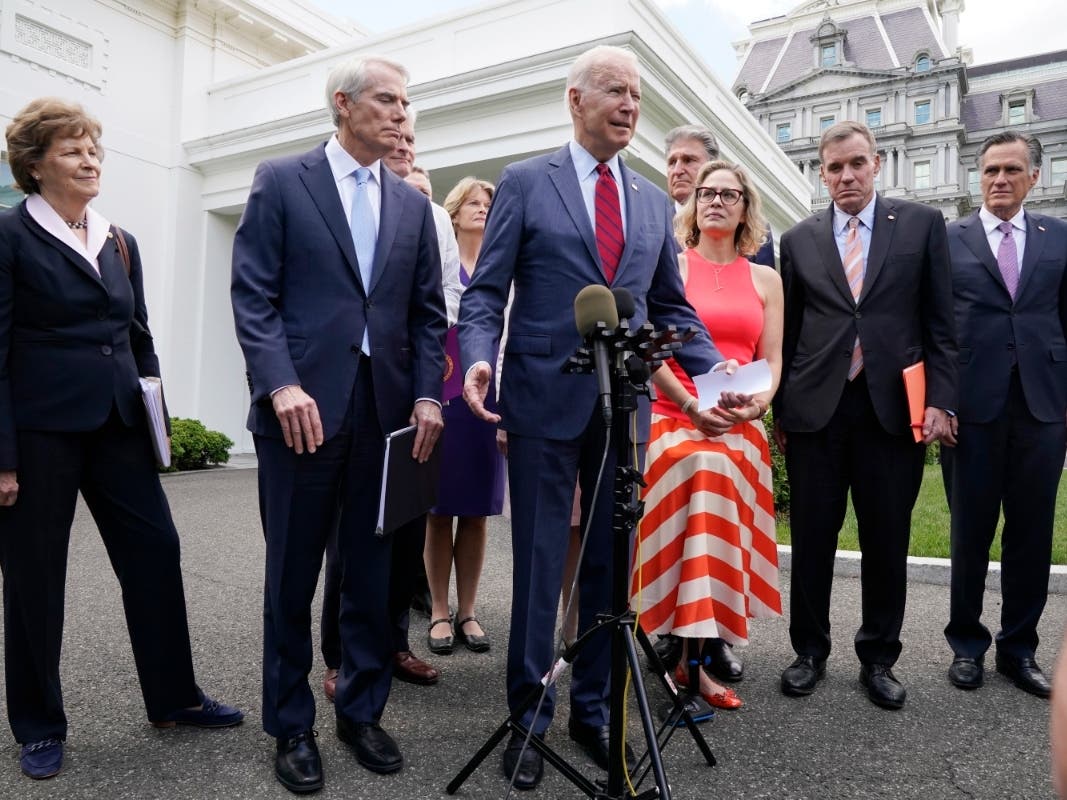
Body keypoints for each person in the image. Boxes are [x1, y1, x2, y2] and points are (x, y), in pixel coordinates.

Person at [459, 44, 727, 790]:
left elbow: (671, 307)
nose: (630, 105)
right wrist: (480, 353)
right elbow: (485, 293)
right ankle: (528, 719)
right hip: (543, 402)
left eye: (637, 95)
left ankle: (595, 711)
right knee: (543, 568)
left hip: (624, 409)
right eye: (615, 90)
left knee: (611, 577)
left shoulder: (649, 201)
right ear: (574, 99)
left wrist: (719, 375)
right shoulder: (523, 183)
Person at [0, 98, 243, 781]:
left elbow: (140, 339)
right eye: (74, 150)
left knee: (156, 552)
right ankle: (40, 725)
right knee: (34, 581)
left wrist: (157, 425)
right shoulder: (10, 235)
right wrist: (2, 456)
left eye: (95, 149)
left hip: (117, 428)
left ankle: (174, 698)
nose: (90, 160)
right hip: (40, 431)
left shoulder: (118, 240)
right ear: (36, 163)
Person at [231, 56, 446, 792]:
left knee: (369, 575)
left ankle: (360, 711)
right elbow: (253, 296)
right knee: (291, 576)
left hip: (385, 414)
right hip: (300, 412)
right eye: (387, 100)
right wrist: (280, 383)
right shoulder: (281, 180)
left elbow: (426, 316)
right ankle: (290, 725)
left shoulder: (414, 207)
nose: (400, 114)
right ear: (343, 104)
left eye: (405, 103)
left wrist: (427, 396)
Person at [775, 120, 957, 711]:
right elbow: (791, 331)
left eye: (856, 163)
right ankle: (809, 651)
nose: (846, 176)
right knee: (811, 539)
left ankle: (879, 657)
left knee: (886, 538)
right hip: (816, 414)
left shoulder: (923, 225)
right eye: (834, 167)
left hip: (890, 413)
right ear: (820, 173)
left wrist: (939, 401)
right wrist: (781, 409)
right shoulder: (798, 240)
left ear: (876, 163)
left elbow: (940, 324)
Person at [319, 112, 462, 703]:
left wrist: (426, 372)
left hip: (411, 395)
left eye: (410, 140)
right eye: (395, 137)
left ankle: (395, 642)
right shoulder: (349, 200)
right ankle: (338, 655)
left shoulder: (430, 218)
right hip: (355, 390)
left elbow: (444, 294)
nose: (402, 145)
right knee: (349, 534)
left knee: (402, 525)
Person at [631, 160, 783, 710]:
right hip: (675, 414)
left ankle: (692, 654)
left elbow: (772, 361)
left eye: (730, 194)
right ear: (693, 205)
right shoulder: (670, 266)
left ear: (746, 209)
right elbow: (648, 349)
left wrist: (755, 406)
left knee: (721, 464)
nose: (717, 201)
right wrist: (690, 404)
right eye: (707, 193)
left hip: (739, 420)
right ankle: (688, 660)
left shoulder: (767, 279)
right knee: (703, 467)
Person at [942, 131, 1067, 698]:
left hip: (1044, 407)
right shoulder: (948, 240)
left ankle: (1020, 649)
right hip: (972, 407)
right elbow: (935, 329)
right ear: (977, 174)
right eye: (990, 169)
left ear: (1033, 177)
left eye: (1012, 170)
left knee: (1032, 533)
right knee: (970, 530)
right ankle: (967, 646)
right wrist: (938, 401)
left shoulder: (1059, 237)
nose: (999, 179)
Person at [425, 177, 505, 656]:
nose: (481, 209)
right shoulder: (439, 260)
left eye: (488, 203)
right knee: (437, 510)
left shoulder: (500, 269)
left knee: (475, 512)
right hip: (442, 391)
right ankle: (438, 609)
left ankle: (468, 610)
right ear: (453, 213)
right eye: (473, 202)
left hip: (487, 397)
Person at [665, 124, 776, 270]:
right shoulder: (654, 224)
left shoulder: (755, 230)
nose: (677, 170)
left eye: (688, 160)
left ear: (712, 166)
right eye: (672, 162)